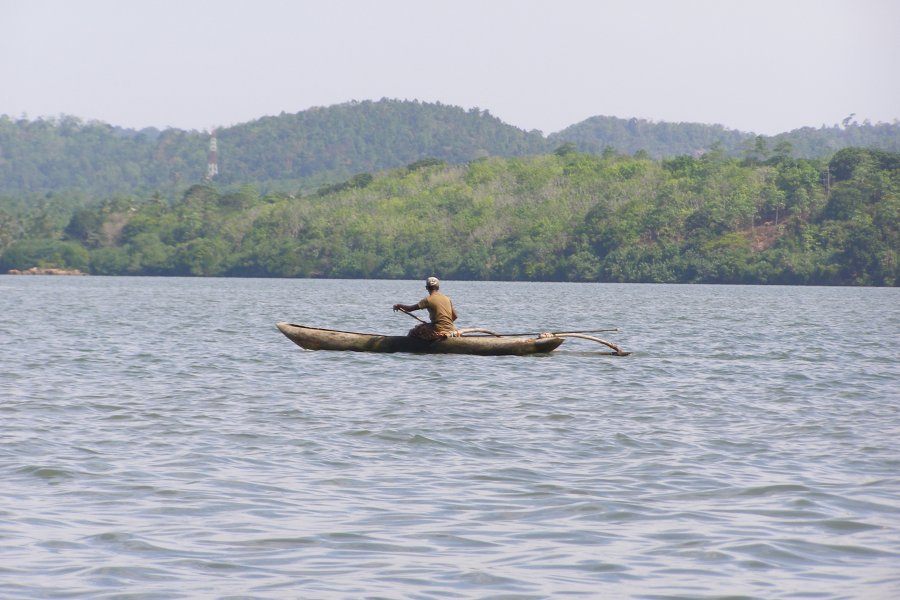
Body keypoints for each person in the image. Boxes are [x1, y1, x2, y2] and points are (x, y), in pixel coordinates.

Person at [393, 276, 458, 340]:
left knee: (413, 332)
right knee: (424, 327)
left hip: (437, 330)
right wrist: (444, 324)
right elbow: (455, 316)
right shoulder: (447, 299)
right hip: (451, 329)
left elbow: (409, 309)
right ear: (438, 287)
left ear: (427, 288)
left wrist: (399, 305)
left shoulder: (428, 300)